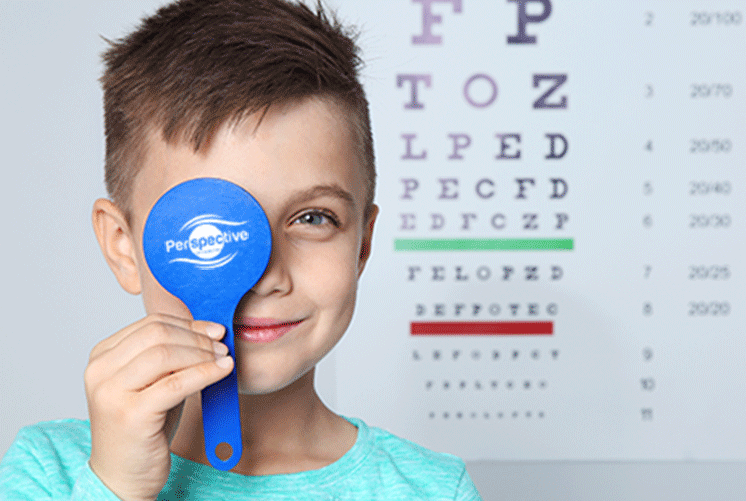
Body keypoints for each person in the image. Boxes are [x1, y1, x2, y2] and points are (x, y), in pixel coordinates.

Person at [0, 0, 482, 499]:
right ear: (125, 247)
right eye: (208, 230)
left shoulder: (433, 490)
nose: (263, 275)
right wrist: (115, 487)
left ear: (361, 244)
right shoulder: (49, 474)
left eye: (313, 218)